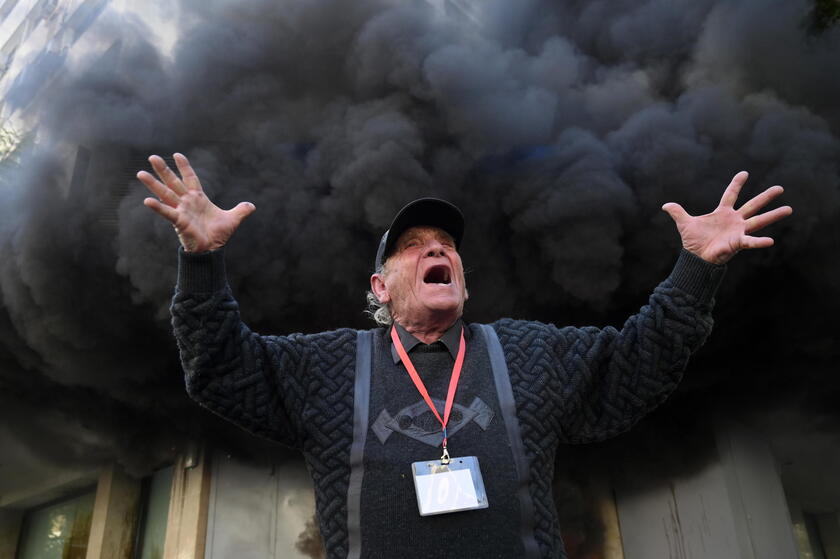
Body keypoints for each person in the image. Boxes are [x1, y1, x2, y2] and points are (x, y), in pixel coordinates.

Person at [138, 153, 792, 559]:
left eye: (446, 243)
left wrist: (695, 270)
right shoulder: (330, 366)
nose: (436, 249)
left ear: (463, 275)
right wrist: (200, 262)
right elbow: (221, 369)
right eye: (413, 244)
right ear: (380, 288)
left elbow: (636, 366)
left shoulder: (528, 351)